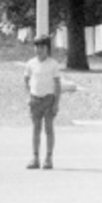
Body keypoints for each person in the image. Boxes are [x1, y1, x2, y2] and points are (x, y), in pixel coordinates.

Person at [24, 34, 61, 169]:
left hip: (48, 99)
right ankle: (35, 157)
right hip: (35, 99)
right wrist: (28, 96)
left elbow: (57, 85)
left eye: (42, 46)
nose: (39, 49)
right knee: (36, 129)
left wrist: (56, 103)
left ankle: (49, 158)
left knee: (49, 129)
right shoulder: (30, 64)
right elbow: (26, 80)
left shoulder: (53, 64)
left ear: (48, 48)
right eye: (37, 46)